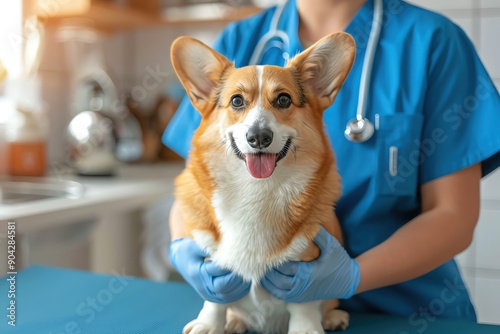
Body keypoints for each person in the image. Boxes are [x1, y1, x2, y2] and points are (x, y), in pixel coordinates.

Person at [164, 0, 500, 322]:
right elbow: (197, 190)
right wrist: (184, 249)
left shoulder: (432, 42)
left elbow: (453, 216)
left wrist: (353, 277)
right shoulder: (240, 39)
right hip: (264, 312)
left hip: (407, 310)